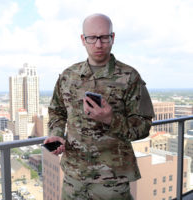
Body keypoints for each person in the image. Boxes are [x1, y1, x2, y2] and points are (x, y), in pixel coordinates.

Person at [44, 13, 155, 200]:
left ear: (112, 38)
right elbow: (57, 111)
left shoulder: (130, 77)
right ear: (83, 39)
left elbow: (144, 126)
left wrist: (111, 119)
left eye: (104, 37)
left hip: (112, 180)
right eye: (92, 38)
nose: (98, 44)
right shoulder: (68, 76)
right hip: (74, 177)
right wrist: (56, 133)